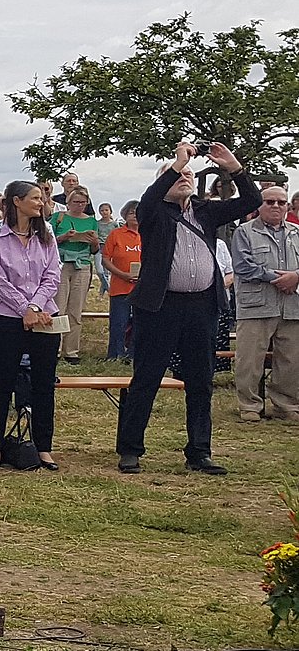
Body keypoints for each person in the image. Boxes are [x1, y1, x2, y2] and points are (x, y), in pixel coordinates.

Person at [117, 142, 260, 475]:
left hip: (201, 307)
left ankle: (199, 451)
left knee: (200, 382)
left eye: (189, 175)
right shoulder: (153, 212)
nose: (184, 177)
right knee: (146, 379)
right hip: (160, 307)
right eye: (178, 175)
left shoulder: (206, 211)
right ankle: (130, 449)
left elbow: (251, 201)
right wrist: (178, 162)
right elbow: (150, 197)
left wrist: (234, 168)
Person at [0, 182, 64, 469]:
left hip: (43, 318)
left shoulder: (46, 236)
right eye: (35, 198)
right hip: (7, 319)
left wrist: (35, 307)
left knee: (44, 384)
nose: (41, 203)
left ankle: (44, 447)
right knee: (3, 382)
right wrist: (23, 308)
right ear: (17, 201)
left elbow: (53, 275)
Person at [231, 185, 299, 422]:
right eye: (270, 202)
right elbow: (243, 267)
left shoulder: (297, 233)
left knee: (291, 360)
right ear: (259, 206)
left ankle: (286, 406)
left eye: (281, 202)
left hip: (292, 306)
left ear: (288, 206)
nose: (276, 206)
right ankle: (249, 406)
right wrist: (280, 278)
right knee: (249, 359)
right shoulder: (244, 232)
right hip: (256, 305)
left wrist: (296, 277)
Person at [51, 188, 99, 364]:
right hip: (62, 263)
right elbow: (47, 241)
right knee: (59, 307)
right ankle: (54, 348)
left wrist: (94, 242)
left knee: (76, 309)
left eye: (83, 203)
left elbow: (94, 250)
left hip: (82, 264)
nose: (79, 205)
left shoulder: (92, 221)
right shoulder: (58, 218)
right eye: (76, 202)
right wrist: (63, 237)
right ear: (68, 202)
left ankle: (71, 350)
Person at [103, 200, 142, 361]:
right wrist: (121, 274)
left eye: (137, 212)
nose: (135, 216)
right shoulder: (116, 234)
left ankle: (134, 355)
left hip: (142, 288)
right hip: (120, 286)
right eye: (131, 213)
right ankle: (115, 355)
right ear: (125, 215)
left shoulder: (149, 233)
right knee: (118, 323)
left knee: (140, 324)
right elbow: (105, 259)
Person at [96, 202, 118, 293]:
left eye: (106, 210)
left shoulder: (114, 224)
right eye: (102, 210)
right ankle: (109, 289)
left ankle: (102, 292)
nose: (104, 212)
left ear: (110, 211)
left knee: (106, 272)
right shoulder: (97, 223)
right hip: (99, 247)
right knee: (99, 271)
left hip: (110, 248)